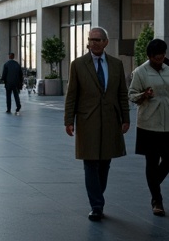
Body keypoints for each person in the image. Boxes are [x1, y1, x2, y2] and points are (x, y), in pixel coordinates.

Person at [64, 27, 130, 222]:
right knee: (90, 162)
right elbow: (72, 95)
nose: (93, 43)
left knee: (105, 163)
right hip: (87, 120)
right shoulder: (78, 65)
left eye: (97, 40)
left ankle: (97, 195)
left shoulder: (116, 65)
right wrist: (69, 120)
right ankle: (96, 205)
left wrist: (126, 118)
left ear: (106, 42)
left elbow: (122, 94)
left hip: (111, 120)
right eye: (91, 40)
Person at [129, 38, 169, 217]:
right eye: (156, 56)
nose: (160, 58)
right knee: (152, 161)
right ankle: (157, 200)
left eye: (162, 54)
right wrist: (144, 94)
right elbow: (131, 95)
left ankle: (153, 183)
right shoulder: (140, 72)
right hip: (148, 122)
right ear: (150, 56)